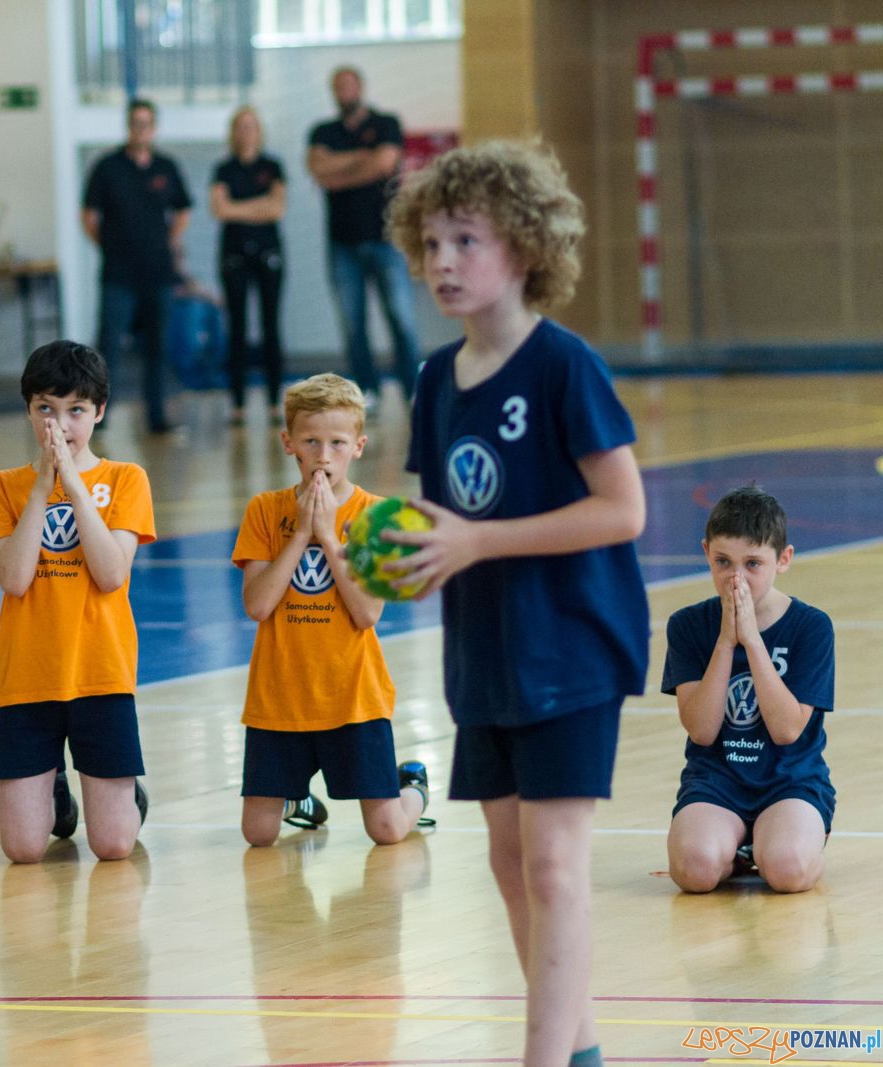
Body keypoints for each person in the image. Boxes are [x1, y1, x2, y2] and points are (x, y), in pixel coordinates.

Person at [387, 141, 649, 1067]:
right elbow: (448, 521)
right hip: (486, 650)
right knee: (508, 862)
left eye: (466, 239)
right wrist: (400, 555)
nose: (443, 261)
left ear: (527, 249)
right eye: (430, 242)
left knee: (552, 863)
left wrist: (478, 541)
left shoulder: (563, 366)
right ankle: (577, 1049)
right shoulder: (431, 380)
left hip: (573, 646)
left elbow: (624, 510)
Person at [231, 372, 431, 847]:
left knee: (385, 832)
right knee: (258, 834)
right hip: (279, 697)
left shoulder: (374, 516)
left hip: (352, 698)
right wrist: (300, 533)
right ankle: (295, 796)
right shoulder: (265, 510)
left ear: (359, 445)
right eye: (311, 441)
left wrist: (327, 535)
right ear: (288, 443)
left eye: (337, 443)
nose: (323, 456)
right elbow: (257, 605)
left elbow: (367, 614)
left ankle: (415, 787)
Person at [0, 341, 154, 863]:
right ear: (29, 409)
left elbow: (111, 574)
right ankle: (53, 786)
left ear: (98, 411)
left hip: (101, 672)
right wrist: (40, 491)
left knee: (114, 845)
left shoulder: (125, 479)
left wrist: (73, 486)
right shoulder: (2, 488)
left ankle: (126, 798)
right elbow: (14, 578)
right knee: (24, 850)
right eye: (46, 409)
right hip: (28, 677)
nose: (61, 424)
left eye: (75, 410)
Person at [663, 486, 834, 895]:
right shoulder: (687, 626)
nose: (735, 577)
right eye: (723, 561)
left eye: (753, 563)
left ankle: (791, 841)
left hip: (790, 781)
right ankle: (736, 851)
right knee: (695, 871)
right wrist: (725, 641)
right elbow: (702, 731)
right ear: (706, 553)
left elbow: (787, 730)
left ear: (784, 559)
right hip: (716, 781)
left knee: (788, 871)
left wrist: (753, 641)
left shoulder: (811, 627)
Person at [307, 67, 421, 408]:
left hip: (385, 238)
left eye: (348, 85)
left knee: (401, 319)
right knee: (353, 325)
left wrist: (339, 167)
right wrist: (361, 159)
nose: (344, 91)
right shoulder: (323, 131)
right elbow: (319, 171)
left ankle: (413, 390)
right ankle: (366, 390)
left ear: (360, 87)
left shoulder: (386, 123)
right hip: (342, 243)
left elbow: (385, 165)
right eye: (337, 86)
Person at [82, 99, 192, 434]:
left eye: (147, 123)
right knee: (109, 346)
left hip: (158, 273)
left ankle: (156, 415)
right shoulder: (107, 166)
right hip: (118, 273)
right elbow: (88, 216)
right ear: (128, 126)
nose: (140, 129)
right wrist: (109, 246)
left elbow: (183, 209)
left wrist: (169, 241)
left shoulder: (166, 166)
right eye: (135, 123)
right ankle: (98, 419)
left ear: (154, 127)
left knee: (157, 346)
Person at [211, 106, 286, 425]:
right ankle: (238, 403)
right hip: (234, 253)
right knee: (238, 328)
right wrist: (259, 205)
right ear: (233, 131)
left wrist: (238, 207)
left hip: (268, 252)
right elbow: (220, 210)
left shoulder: (272, 166)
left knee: (271, 326)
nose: (246, 132)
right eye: (240, 126)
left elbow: (277, 208)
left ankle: (273, 402)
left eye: (251, 126)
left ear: (259, 130)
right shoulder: (224, 169)